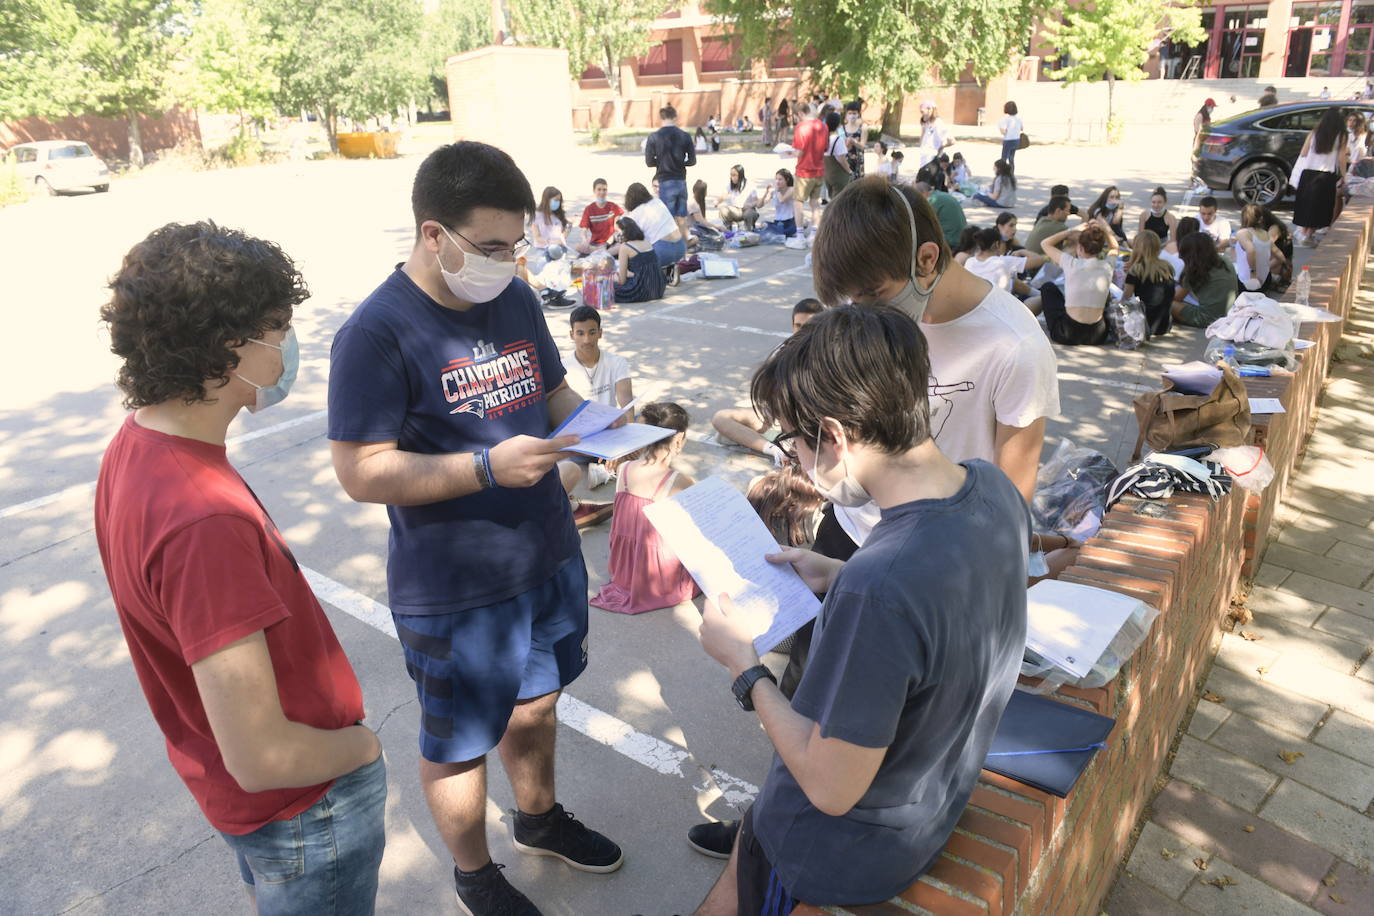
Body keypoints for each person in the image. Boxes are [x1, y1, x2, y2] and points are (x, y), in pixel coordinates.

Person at [327, 143, 623, 915]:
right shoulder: (376, 333)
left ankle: (538, 818)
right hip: (456, 588)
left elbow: (553, 394)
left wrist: (616, 432)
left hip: (548, 555)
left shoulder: (516, 297)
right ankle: (474, 874)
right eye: (489, 247)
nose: (505, 260)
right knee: (459, 739)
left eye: (514, 244)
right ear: (434, 235)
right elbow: (361, 470)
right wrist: (485, 469)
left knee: (538, 702)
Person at [691, 303, 1030, 914]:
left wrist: (743, 666)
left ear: (835, 436)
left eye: (793, 440)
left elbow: (828, 787)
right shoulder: (991, 487)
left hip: (836, 854)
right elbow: (938, 610)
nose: (791, 455)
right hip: (931, 808)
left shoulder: (881, 587)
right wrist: (839, 572)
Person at [94, 221, 386, 914]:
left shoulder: (137, 443)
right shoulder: (202, 521)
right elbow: (261, 757)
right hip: (305, 813)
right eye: (278, 327)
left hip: (255, 811)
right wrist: (363, 748)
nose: (289, 345)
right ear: (231, 346)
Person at [589, 402, 699, 615]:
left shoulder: (624, 469)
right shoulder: (679, 481)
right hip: (658, 574)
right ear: (678, 439)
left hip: (624, 568)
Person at [710, 298, 825, 461]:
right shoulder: (781, 351)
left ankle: (790, 444)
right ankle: (775, 451)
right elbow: (770, 394)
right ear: (792, 325)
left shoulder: (829, 356)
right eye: (798, 326)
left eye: (808, 327)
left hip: (812, 421)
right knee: (720, 418)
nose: (801, 332)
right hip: (779, 415)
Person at [555, 304, 635, 526]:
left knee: (642, 446)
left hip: (610, 434)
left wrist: (626, 444)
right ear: (572, 335)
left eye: (592, 332)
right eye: (580, 333)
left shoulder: (617, 362)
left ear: (600, 332)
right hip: (581, 439)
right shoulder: (562, 366)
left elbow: (626, 401)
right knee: (569, 461)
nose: (587, 340)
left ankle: (606, 468)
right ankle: (604, 470)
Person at [1035, 223, 1114, 345]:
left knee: (1048, 288)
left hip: (1068, 333)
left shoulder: (1071, 263)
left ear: (1080, 248)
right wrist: (1104, 229)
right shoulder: (1108, 265)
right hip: (1098, 335)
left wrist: (1071, 231)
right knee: (1106, 293)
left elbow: (1044, 243)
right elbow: (1114, 247)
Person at [1291, 107, 1348, 245]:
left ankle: (1304, 233)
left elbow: (1304, 152)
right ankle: (1308, 234)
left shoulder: (1315, 132)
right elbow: (1341, 157)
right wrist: (1345, 175)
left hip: (1308, 172)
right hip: (1325, 174)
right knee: (1320, 206)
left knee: (1307, 204)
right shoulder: (1342, 134)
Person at [645, 105, 697, 243]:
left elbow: (649, 162)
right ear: (675, 117)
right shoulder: (685, 136)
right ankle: (685, 245)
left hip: (665, 181)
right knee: (681, 217)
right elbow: (692, 161)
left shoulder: (654, 137)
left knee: (667, 218)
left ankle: (669, 246)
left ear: (661, 118)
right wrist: (680, 162)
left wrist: (662, 162)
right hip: (681, 181)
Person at [1172, 230, 1239, 327]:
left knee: (1167, 303)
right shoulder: (1225, 260)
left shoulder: (1195, 271)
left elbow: (1176, 297)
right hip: (1229, 313)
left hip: (1207, 318)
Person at [1123, 229, 1177, 337]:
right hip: (1164, 324)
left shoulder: (1136, 270)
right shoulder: (1166, 267)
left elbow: (1125, 299)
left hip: (1143, 324)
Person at [624, 181, 687, 267]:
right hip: (680, 248)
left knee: (629, 249)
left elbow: (630, 241)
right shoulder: (657, 201)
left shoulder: (634, 215)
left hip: (662, 253)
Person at [611, 217, 667, 304]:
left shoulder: (625, 247)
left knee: (607, 286)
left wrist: (612, 277)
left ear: (623, 232)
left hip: (641, 290)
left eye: (617, 231)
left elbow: (622, 281)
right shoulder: (646, 242)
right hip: (658, 288)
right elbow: (644, 268)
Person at [792, 103, 829, 231]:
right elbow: (825, 148)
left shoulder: (801, 127)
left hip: (804, 171)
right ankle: (814, 234)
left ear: (800, 114)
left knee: (798, 202)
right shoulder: (823, 126)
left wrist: (789, 152)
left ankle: (800, 234)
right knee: (815, 203)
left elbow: (799, 151)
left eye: (796, 116)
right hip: (819, 170)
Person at [914, 180, 968, 249]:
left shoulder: (932, 200)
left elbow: (922, 224)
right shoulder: (942, 195)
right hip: (962, 235)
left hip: (951, 239)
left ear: (924, 193)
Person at [1232, 203, 1273, 292]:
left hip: (1248, 280)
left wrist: (1253, 272)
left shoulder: (1242, 233)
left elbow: (1251, 250)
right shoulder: (1265, 233)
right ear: (1260, 218)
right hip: (1265, 277)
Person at [576, 178, 623, 254]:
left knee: (621, 247)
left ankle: (602, 252)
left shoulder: (613, 207)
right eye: (599, 189)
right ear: (594, 191)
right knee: (578, 247)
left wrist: (608, 243)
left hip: (610, 243)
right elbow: (583, 230)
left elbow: (617, 228)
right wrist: (584, 240)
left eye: (604, 190)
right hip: (595, 244)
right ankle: (603, 252)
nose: (602, 192)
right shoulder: (589, 209)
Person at [758, 168, 799, 237]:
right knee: (764, 224)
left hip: (789, 221)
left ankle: (787, 231)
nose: (777, 181)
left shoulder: (791, 189)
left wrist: (777, 190)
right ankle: (779, 232)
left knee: (782, 230)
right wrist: (766, 192)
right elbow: (759, 205)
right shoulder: (775, 192)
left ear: (787, 180)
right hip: (778, 222)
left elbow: (782, 200)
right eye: (776, 179)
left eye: (780, 179)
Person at [717, 164, 760, 229]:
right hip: (736, 210)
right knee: (723, 210)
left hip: (748, 209)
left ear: (740, 175)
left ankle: (749, 231)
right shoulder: (730, 185)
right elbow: (724, 195)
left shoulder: (750, 185)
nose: (732, 177)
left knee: (748, 214)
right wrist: (717, 202)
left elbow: (756, 201)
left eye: (734, 175)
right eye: (731, 175)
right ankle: (728, 230)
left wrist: (750, 205)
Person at [823, 110, 854, 199]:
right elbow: (841, 159)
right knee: (839, 201)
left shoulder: (824, 137)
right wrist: (849, 171)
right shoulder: (837, 139)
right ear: (838, 124)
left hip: (827, 173)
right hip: (838, 175)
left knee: (832, 199)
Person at [916, 100, 950, 168]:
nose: (922, 114)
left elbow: (950, 140)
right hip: (924, 155)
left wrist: (939, 149)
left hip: (932, 156)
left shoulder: (938, 123)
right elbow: (922, 141)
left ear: (930, 110)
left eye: (922, 112)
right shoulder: (927, 124)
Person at [997, 101, 1023, 171]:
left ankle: (1003, 173)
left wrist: (1000, 127)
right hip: (1016, 140)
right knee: (1011, 158)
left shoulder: (1005, 119)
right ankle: (1011, 173)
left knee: (1004, 158)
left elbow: (1003, 132)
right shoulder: (1019, 118)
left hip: (1008, 140)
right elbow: (1021, 128)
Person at [843, 104, 866, 179]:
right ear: (846, 114)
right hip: (845, 163)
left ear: (858, 114)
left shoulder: (863, 128)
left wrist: (853, 141)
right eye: (850, 113)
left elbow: (863, 147)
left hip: (858, 163)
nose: (852, 116)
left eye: (854, 113)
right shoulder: (842, 128)